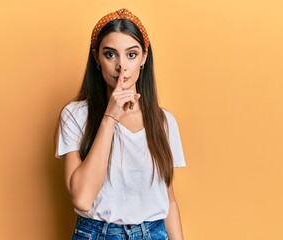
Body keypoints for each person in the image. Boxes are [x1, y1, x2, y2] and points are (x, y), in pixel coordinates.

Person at [56, 8, 186, 240]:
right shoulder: (75, 115)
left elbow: (168, 198)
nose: (121, 67)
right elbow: (82, 199)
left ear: (144, 58)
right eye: (110, 54)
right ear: (97, 57)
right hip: (98, 233)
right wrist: (110, 118)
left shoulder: (164, 122)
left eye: (131, 54)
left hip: (154, 233)